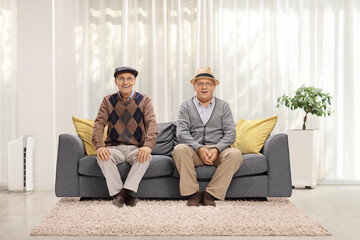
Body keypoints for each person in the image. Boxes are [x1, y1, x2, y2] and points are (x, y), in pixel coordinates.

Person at [172, 67, 243, 207]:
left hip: (219, 151)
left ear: (214, 86)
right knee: (179, 149)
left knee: (235, 154)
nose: (204, 87)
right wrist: (199, 148)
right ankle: (193, 194)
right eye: (200, 83)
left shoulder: (224, 106)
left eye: (208, 83)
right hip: (194, 151)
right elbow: (181, 133)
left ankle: (210, 194)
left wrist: (217, 149)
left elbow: (230, 133)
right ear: (194, 86)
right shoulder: (185, 106)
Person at [92, 66, 158, 208]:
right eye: (121, 79)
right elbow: (98, 124)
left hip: (136, 148)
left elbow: (152, 124)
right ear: (116, 81)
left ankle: (121, 195)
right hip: (115, 148)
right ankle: (124, 195)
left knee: (146, 157)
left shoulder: (144, 100)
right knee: (102, 157)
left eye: (129, 79)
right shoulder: (107, 101)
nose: (125, 82)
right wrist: (99, 146)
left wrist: (147, 146)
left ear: (134, 81)